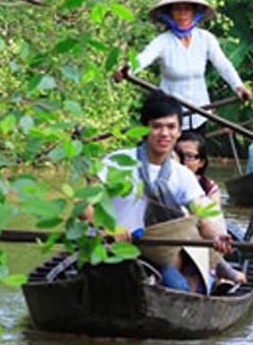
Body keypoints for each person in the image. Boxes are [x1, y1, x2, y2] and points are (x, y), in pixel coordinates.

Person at [85, 91, 232, 293]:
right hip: (109, 244)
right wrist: (113, 228)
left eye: (171, 127)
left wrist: (218, 237)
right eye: (157, 126)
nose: (164, 133)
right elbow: (84, 207)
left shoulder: (182, 175)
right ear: (145, 129)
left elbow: (203, 217)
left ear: (179, 131)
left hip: (152, 252)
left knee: (178, 288)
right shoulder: (117, 162)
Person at [115, 0, 253, 133]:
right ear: (169, 14)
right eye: (177, 10)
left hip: (200, 112)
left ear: (194, 13)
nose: (182, 14)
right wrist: (127, 70)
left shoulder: (205, 38)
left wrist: (238, 86)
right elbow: (144, 58)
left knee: (195, 152)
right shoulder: (163, 41)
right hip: (170, 115)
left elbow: (223, 64)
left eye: (187, 9)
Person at [174, 132, 246, 290]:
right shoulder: (168, 181)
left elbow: (213, 219)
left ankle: (219, 275)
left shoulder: (207, 187)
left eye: (190, 156)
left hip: (202, 237)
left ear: (201, 162)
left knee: (202, 230)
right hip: (175, 240)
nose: (183, 161)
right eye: (179, 154)